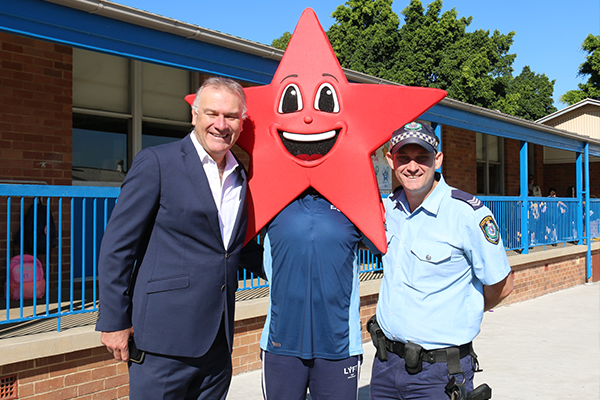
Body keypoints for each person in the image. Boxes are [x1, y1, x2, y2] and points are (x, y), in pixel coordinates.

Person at [95, 77, 263, 400]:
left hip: (217, 343)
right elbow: (117, 245)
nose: (220, 124)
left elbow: (234, 248)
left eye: (230, 116)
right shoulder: (157, 162)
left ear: (240, 124)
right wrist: (114, 319)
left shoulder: (241, 175)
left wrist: (290, 268)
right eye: (211, 113)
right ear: (194, 115)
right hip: (162, 343)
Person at [369, 122, 514, 400]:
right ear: (390, 160)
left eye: (422, 157)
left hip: (439, 373)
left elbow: (503, 284)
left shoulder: (467, 214)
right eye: (403, 158)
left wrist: (462, 310)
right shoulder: (387, 210)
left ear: (438, 159)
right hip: (386, 366)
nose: (412, 167)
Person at [259, 188, 374, 400]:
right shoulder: (271, 200)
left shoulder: (352, 201)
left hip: (340, 346)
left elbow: (386, 246)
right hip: (281, 343)